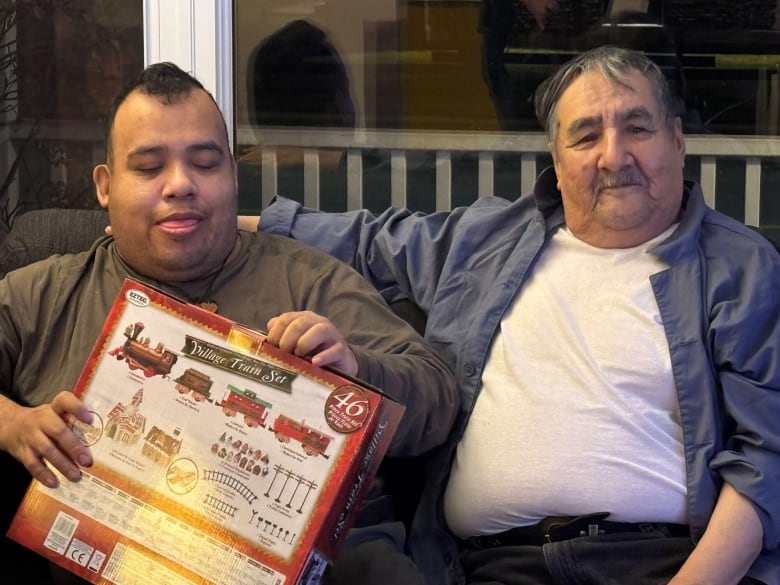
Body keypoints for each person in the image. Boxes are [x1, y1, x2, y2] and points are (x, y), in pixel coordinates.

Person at [257, 46, 780, 584]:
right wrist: (209, 223)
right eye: (585, 136)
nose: (614, 156)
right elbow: (363, 241)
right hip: (486, 568)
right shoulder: (488, 241)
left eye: (637, 128)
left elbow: (768, 461)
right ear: (556, 161)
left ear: (677, 139)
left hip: (657, 564)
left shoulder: (739, 267)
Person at [0, 62, 458, 585]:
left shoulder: (310, 280)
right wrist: (13, 424)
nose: (180, 185)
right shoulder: (42, 295)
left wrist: (354, 372)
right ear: (106, 186)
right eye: (149, 168)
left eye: (204, 163)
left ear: (234, 175)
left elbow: (438, 402)